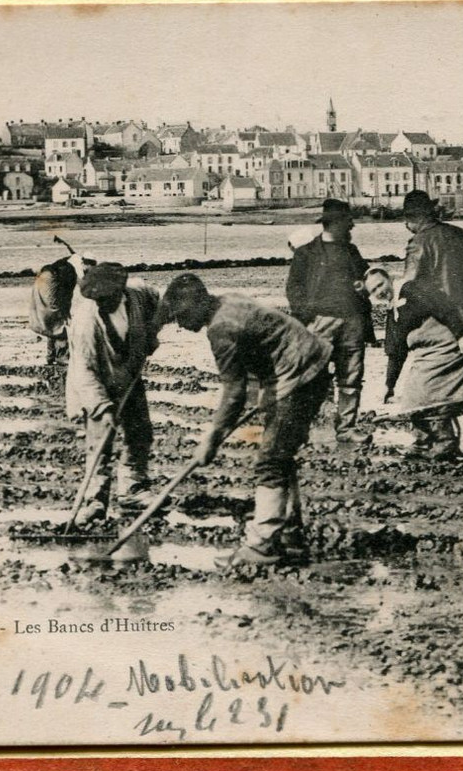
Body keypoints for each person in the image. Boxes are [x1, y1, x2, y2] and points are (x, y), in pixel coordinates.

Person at [161, 273, 333, 570]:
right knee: (280, 456)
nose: (180, 324)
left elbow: (233, 393)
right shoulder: (229, 301)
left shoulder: (221, 329)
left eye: (182, 316)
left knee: (270, 460)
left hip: (299, 374)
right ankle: (289, 537)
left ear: (199, 304)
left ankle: (263, 545)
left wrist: (212, 440)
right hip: (305, 365)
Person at [64, 262, 162, 526]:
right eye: (97, 300)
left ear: (120, 291)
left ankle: (133, 489)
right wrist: (103, 408)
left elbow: (158, 304)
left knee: (140, 432)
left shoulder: (139, 295)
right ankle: (95, 501)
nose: (101, 304)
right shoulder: (85, 321)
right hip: (98, 382)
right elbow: (84, 370)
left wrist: (151, 335)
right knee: (100, 442)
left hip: (129, 375)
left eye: (106, 298)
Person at [401, 190, 463, 445]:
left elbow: (411, 285)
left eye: (407, 219)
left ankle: (439, 431)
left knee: (433, 378)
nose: (405, 225)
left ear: (416, 218)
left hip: (441, 321)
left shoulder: (419, 242)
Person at [285, 200, 372, 445]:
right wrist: (308, 319)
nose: (353, 224)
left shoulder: (351, 251)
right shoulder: (306, 253)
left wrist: (364, 286)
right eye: (348, 220)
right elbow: (293, 290)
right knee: (312, 378)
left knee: (351, 378)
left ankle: (346, 429)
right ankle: (303, 430)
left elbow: (366, 279)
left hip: (352, 321)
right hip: (320, 323)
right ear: (334, 223)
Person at [384, 275, 463, 460]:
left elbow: (444, 305)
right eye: (374, 290)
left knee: (432, 390)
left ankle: (445, 441)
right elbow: (396, 353)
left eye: (380, 285)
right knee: (412, 393)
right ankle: (423, 440)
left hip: (455, 347)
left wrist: (460, 334)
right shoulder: (393, 312)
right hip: (432, 354)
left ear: (388, 279)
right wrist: (389, 384)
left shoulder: (412, 288)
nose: (379, 291)